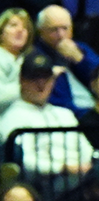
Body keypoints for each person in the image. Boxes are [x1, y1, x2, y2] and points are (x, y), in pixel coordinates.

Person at [0, 51, 90, 179]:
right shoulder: (11, 117)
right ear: (22, 80)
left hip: (80, 178)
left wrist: (82, 167)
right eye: (34, 78)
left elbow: (86, 149)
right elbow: (22, 161)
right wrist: (61, 168)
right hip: (41, 184)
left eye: (46, 78)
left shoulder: (65, 114)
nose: (41, 84)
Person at [33, 5, 99, 113]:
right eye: (54, 30)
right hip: (71, 117)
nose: (61, 35)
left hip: (97, 110)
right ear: (41, 32)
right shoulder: (36, 58)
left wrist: (80, 60)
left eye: (65, 28)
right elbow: (59, 105)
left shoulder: (80, 48)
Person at [0, 7, 29, 113]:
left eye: (25, 27)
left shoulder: (28, 59)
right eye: (13, 25)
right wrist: (29, 87)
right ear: (1, 32)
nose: (20, 30)